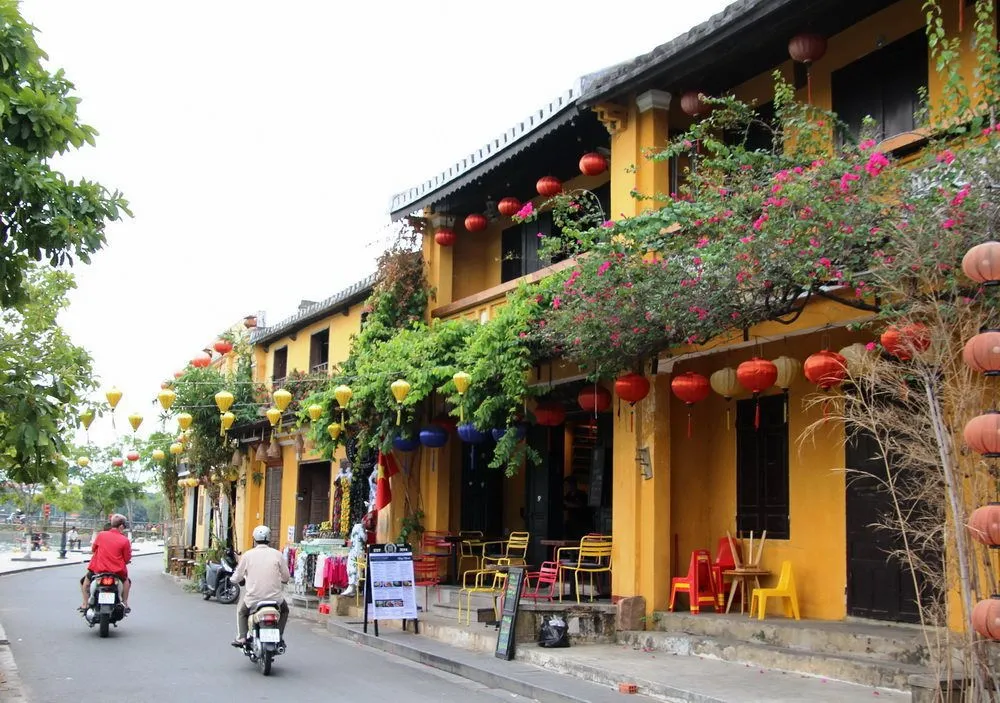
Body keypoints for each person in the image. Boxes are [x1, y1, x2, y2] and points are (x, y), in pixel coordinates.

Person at [231, 525, 290, 648]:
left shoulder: (247, 555)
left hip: (253, 598)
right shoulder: (277, 554)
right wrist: (283, 580)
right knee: (285, 610)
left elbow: (237, 576)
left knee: (242, 612)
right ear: (269, 538)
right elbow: (286, 576)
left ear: (254, 539)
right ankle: (279, 634)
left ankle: (242, 637)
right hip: (275, 599)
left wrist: (233, 580)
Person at [80, 515, 132, 612]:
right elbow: (127, 558)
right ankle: (124, 603)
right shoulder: (125, 540)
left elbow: (93, 549)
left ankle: (85, 603)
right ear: (121, 526)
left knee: (85, 581)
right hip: (118, 572)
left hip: (98, 569)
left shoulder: (101, 535)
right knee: (126, 581)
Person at [563, 476, 592, 540]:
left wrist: (567, 503)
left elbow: (581, 506)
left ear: (573, 484)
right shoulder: (568, 495)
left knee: (579, 539)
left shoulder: (581, 494)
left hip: (581, 522)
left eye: (567, 485)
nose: (566, 487)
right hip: (571, 522)